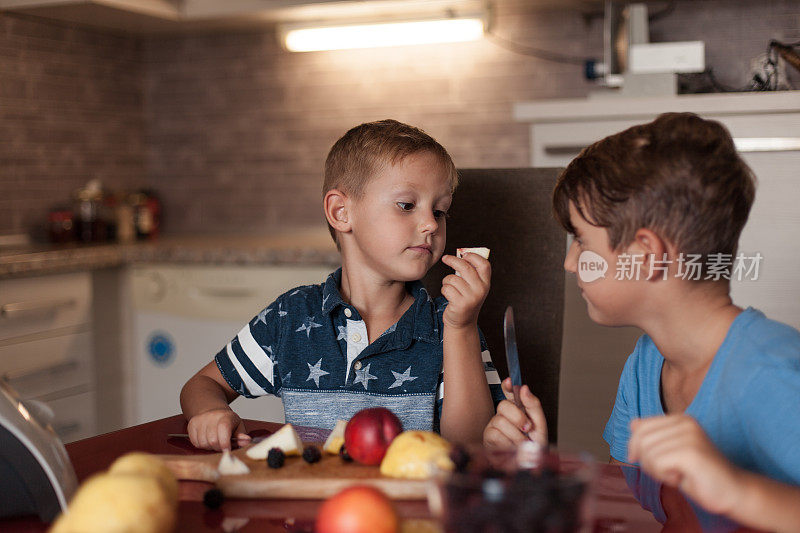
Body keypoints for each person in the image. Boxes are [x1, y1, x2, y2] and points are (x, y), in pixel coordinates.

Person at [483, 113, 800, 532]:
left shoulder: (773, 373)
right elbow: (624, 513)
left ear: (647, 255)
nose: (569, 262)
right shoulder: (646, 364)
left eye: (581, 240)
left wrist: (735, 489)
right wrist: (538, 468)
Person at [181, 119, 504, 452]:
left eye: (440, 211)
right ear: (341, 212)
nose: (430, 224)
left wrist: (462, 327)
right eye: (407, 205)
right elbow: (203, 384)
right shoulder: (290, 317)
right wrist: (211, 412)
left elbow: (472, 447)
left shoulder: (449, 324)